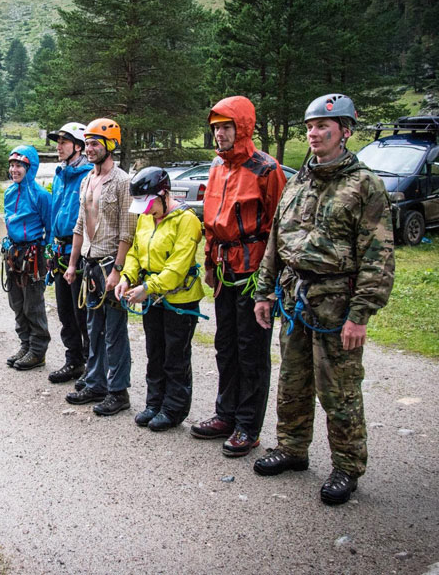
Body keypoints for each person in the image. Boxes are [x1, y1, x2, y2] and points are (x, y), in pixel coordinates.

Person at [252, 93, 394, 506]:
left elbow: (378, 255)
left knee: (339, 388)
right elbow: (277, 240)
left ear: (345, 132)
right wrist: (264, 291)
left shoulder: (364, 184)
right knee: (292, 380)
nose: (313, 134)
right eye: (310, 127)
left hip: (337, 302)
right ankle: (292, 449)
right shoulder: (299, 179)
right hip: (295, 296)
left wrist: (360, 314)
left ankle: (347, 467)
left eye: (323, 127)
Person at [192, 96, 287, 457]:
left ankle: (248, 425)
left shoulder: (267, 169)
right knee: (225, 345)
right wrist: (211, 266)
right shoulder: (218, 167)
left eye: (226, 127)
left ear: (243, 127)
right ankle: (225, 414)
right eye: (215, 128)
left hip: (254, 272)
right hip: (225, 267)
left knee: (251, 349)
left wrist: (271, 282)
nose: (219, 134)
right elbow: (211, 219)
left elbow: (280, 227)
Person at [115, 167, 205, 430]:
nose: (145, 209)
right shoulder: (146, 216)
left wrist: (147, 287)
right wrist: (127, 277)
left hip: (179, 300)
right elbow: (135, 252)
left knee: (175, 355)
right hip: (152, 295)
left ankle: (174, 408)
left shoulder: (186, 220)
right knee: (154, 352)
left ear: (164, 194)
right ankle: (154, 403)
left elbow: (177, 267)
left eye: (149, 203)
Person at [63, 118, 136, 417]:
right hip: (90, 266)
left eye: (96, 144)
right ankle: (96, 382)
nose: (90, 149)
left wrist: (118, 270)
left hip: (110, 265)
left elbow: (127, 231)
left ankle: (118, 391)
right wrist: (72, 264)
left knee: (115, 331)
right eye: (88, 143)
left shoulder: (123, 182)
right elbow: (80, 224)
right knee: (94, 329)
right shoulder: (86, 180)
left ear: (110, 146)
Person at [42, 122, 93, 383]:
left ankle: (90, 365)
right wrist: (50, 246)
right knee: (64, 311)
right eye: (58, 141)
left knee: (81, 312)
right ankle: (73, 361)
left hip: (80, 252)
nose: (58, 146)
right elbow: (54, 212)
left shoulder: (87, 175)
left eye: (64, 141)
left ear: (79, 146)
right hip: (60, 249)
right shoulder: (60, 174)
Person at [2, 145, 52, 370]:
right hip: (14, 253)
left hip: (33, 255)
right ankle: (26, 344)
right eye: (12, 165)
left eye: (19, 165)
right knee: (17, 303)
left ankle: (38, 350)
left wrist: (47, 256)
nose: (14, 169)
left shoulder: (41, 195)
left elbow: (49, 228)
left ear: (29, 167)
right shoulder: (9, 192)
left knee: (33, 304)